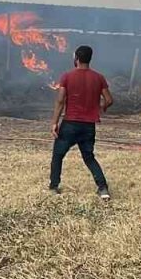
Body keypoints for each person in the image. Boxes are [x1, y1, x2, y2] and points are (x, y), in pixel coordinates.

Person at [48, 44, 113, 199]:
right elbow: (109, 100)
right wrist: (101, 108)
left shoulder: (67, 76)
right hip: (88, 126)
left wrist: (54, 122)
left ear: (76, 58)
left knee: (58, 155)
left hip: (70, 124)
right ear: (89, 59)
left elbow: (60, 100)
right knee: (89, 157)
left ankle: (53, 187)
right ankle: (103, 189)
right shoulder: (99, 78)